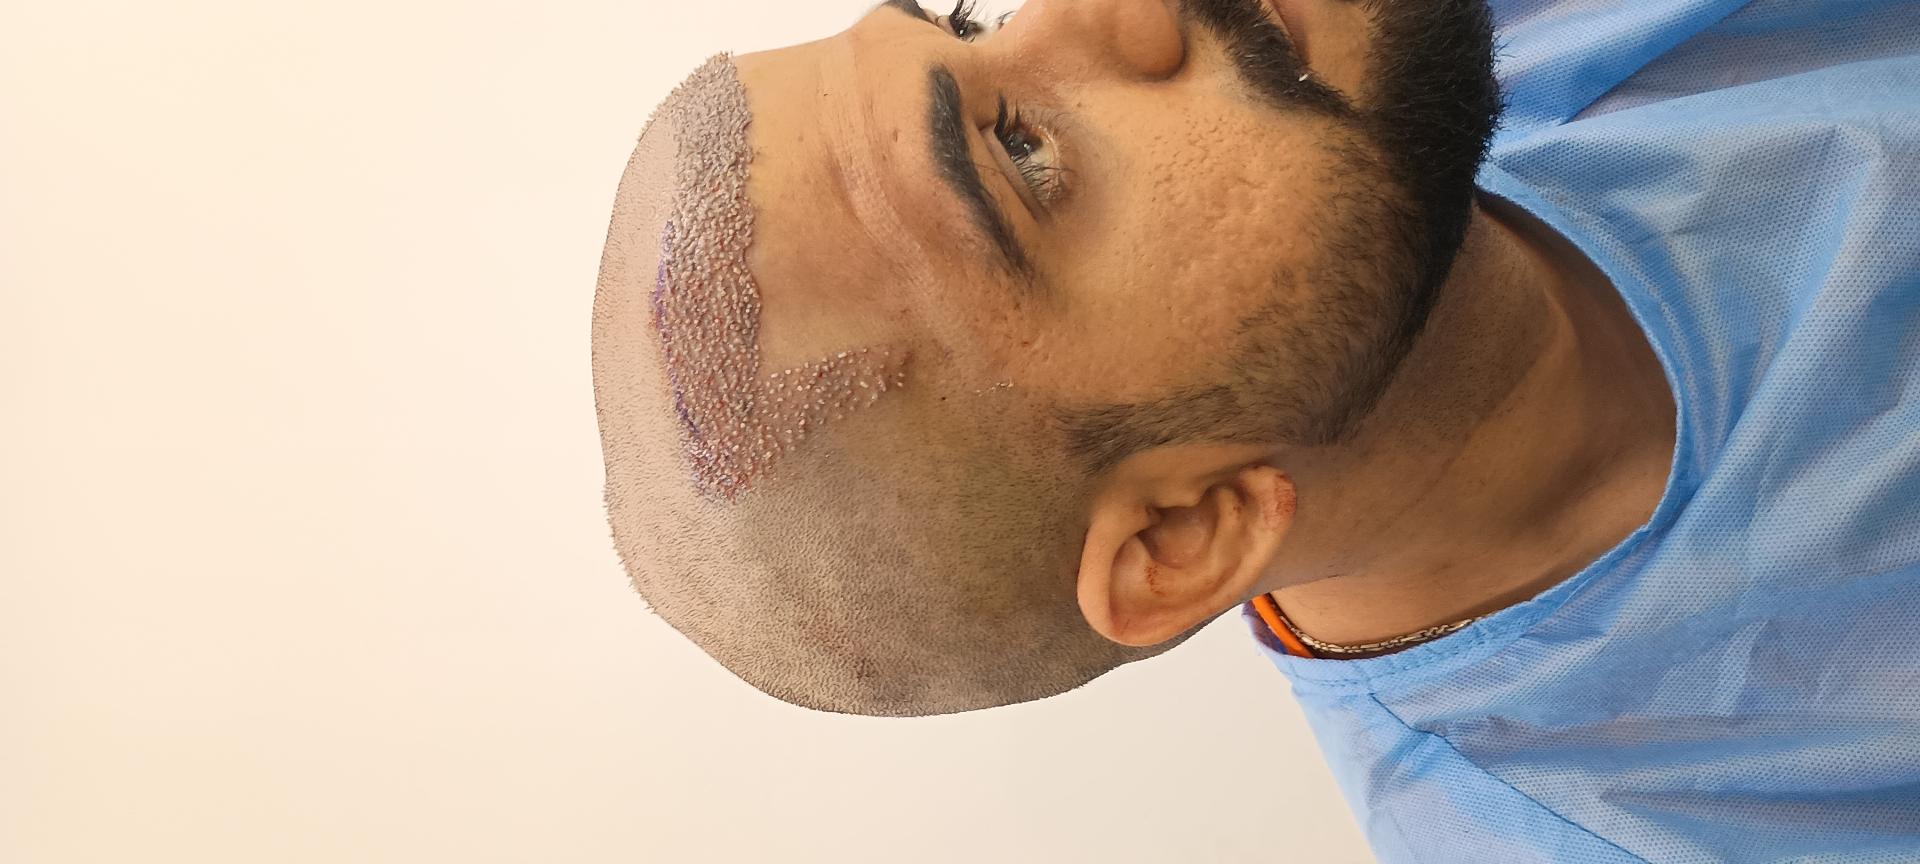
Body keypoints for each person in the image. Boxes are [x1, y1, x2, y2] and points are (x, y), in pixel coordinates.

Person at [589, 0, 1920, 859]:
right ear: (1186, 532)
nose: (1119, 12)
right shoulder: (1649, 823)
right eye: (1025, 151)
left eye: (973, 16)